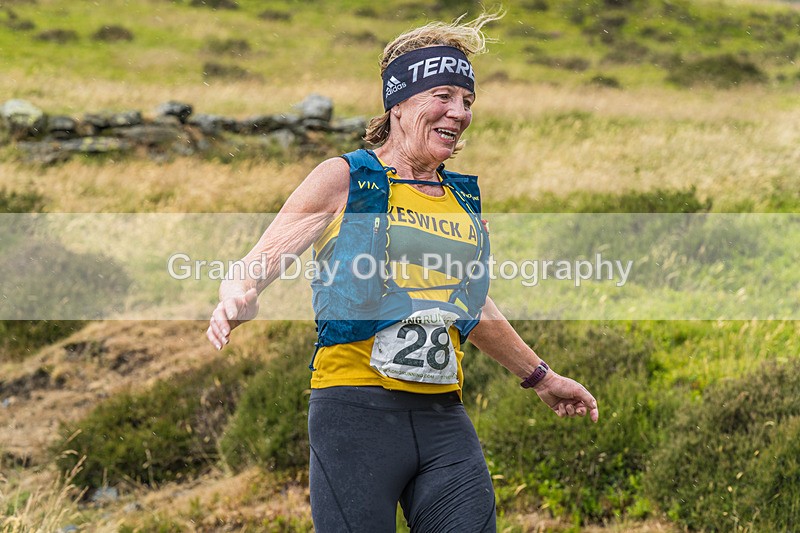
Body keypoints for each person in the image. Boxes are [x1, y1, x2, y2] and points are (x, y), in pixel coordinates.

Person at [207, 12, 599, 532]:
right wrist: (239, 294)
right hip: (353, 413)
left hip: (443, 420)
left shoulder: (463, 201)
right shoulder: (345, 178)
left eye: (467, 101)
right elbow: (258, 261)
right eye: (443, 96)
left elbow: (471, 306)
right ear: (398, 103)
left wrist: (541, 378)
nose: (458, 113)